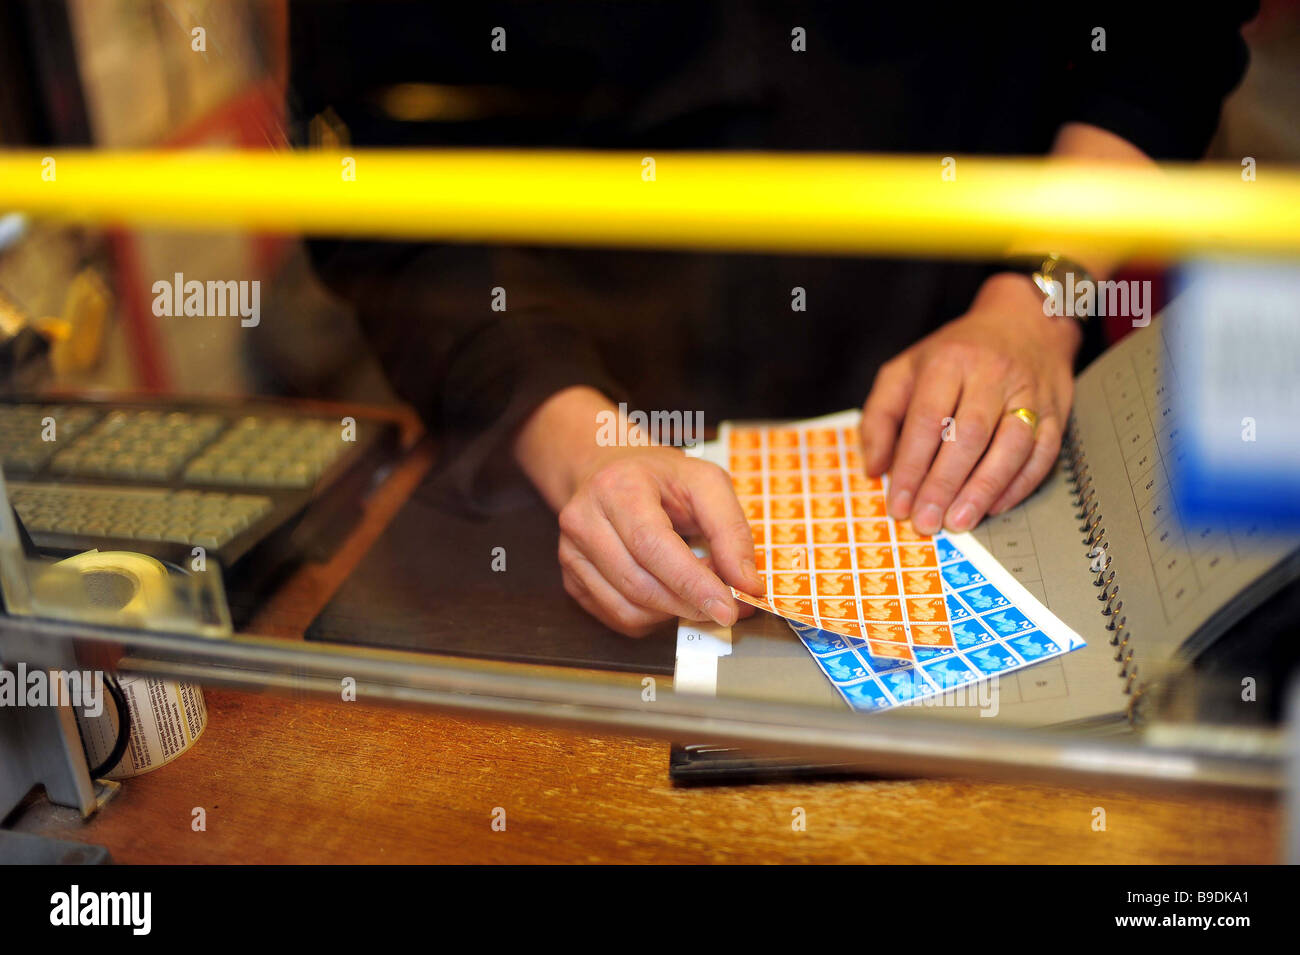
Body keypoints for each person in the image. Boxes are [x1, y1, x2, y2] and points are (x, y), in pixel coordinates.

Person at [291, 2, 1256, 636]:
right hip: (555, 460)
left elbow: (1164, 33)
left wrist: (1038, 292)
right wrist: (578, 441)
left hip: (989, 412)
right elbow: (379, 182)